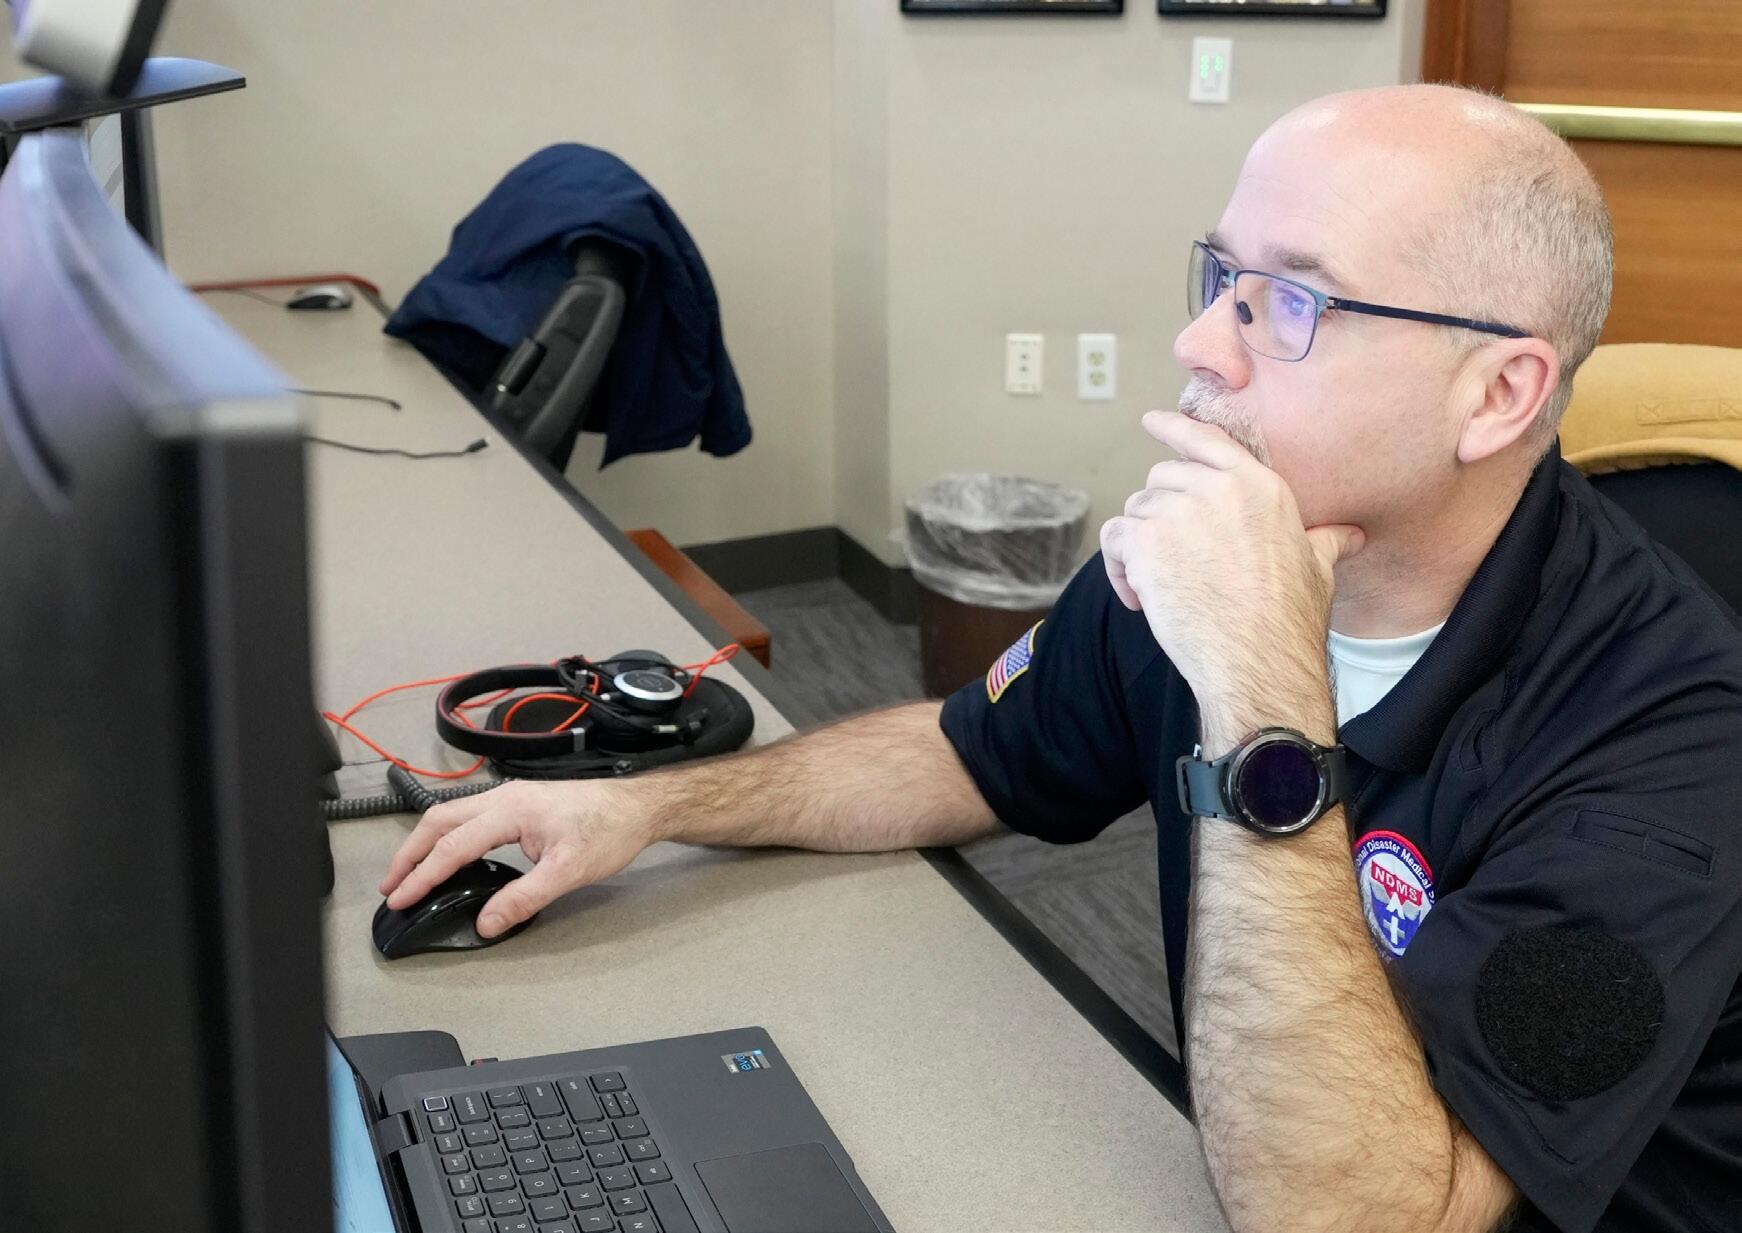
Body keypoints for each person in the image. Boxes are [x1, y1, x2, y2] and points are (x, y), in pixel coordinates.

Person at [380, 84, 1742, 1233]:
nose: (1197, 342)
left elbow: (1363, 1215)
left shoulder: (1672, 740)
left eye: (1288, 305)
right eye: (1219, 278)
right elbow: (965, 754)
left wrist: (1260, 690)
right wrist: (649, 806)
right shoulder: (1223, 548)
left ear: (1496, 392)